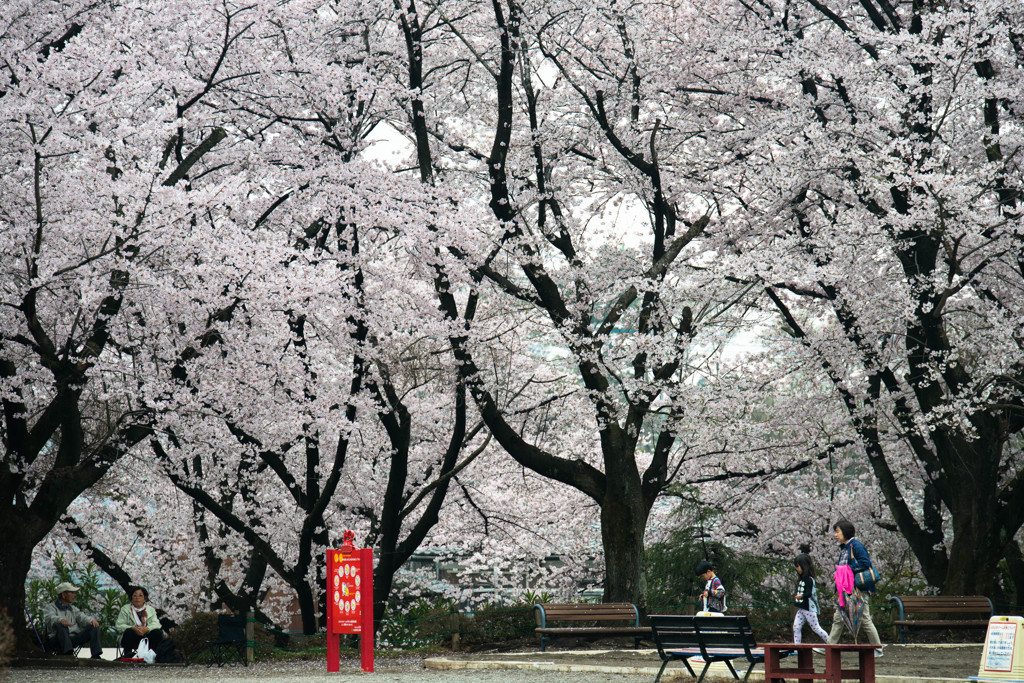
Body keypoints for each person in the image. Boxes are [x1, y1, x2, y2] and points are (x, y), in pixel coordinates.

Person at [824, 519, 883, 656]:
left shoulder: (855, 546)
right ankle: (829, 647)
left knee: (864, 620)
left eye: (837, 531)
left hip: (858, 590)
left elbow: (865, 562)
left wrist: (848, 569)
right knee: (838, 618)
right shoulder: (845, 548)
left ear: (845, 531)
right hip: (846, 591)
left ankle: (878, 649)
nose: (835, 535)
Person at [42, 581, 103, 659]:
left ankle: (96, 654)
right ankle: (68, 653)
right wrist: (60, 620)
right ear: (64, 595)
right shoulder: (50, 607)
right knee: (61, 625)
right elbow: (49, 618)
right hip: (57, 638)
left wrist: (90, 621)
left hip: (73, 637)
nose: (74, 595)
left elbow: (82, 617)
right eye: (72, 593)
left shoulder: (73, 609)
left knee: (93, 626)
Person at [115, 585, 165, 657]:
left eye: (140, 596)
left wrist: (147, 629)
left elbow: (156, 624)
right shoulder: (125, 609)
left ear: (145, 599)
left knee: (157, 632)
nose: (137, 598)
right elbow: (119, 625)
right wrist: (133, 628)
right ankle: (127, 656)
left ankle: (155, 656)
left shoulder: (150, 610)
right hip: (131, 637)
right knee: (129, 631)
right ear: (131, 598)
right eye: (134, 595)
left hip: (146, 635)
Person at [792, 553, 830, 643]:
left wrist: (801, 595)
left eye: (798, 566)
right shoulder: (802, 579)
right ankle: (797, 646)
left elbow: (809, 593)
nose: (797, 569)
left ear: (804, 566)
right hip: (802, 608)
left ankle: (830, 642)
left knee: (816, 628)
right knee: (796, 627)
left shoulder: (809, 580)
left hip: (809, 609)